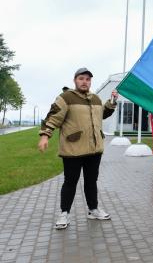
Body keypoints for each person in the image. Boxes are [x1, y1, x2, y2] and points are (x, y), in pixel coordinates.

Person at [38, 67, 117, 230]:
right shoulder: (66, 97)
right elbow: (53, 116)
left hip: (94, 150)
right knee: (70, 182)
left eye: (88, 79)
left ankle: (93, 210)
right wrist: (45, 135)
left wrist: (112, 102)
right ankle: (64, 214)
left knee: (91, 181)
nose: (84, 82)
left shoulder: (95, 98)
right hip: (73, 149)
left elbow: (101, 114)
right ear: (75, 80)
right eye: (81, 78)